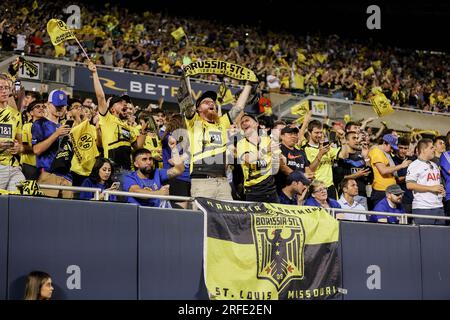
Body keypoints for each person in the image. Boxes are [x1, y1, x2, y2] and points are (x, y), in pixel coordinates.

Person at [182, 79, 253, 200]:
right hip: (202, 182)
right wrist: (186, 77)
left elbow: (239, 107)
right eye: (206, 102)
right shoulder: (195, 122)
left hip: (223, 182)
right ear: (198, 109)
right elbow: (188, 101)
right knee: (202, 218)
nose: (211, 103)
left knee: (226, 218)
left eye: (212, 102)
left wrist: (249, 84)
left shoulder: (222, 122)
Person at [32, 90, 72, 198]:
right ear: (48, 105)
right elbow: (36, 150)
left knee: (67, 213)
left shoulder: (65, 127)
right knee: (46, 211)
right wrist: (56, 134)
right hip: (48, 174)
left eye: (62, 106)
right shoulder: (40, 124)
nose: (59, 108)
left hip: (66, 176)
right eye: (56, 105)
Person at [237, 113, 284, 203]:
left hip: (271, 190)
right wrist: (267, 150)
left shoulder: (268, 140)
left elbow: (276, 169)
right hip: (253, 191)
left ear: (256, 124)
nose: (244, 123)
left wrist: (276, 156)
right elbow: (249, 159)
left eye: (247, 120)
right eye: (242, 122)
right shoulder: (241, 143)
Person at [406, 139, 446, 225]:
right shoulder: (414, 165)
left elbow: (435, 184)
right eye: (431, 147)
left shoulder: (434, 165)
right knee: (425, 237)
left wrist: (441, 190)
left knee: (441, 237)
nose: (434, 149)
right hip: (423, 208)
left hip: (439, 207)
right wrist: (431, 188)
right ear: (423, 150)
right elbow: (409, 185)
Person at [368, 134, 411, 207]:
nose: (392, 150)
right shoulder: (377, 152)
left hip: (389, 190)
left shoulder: (385, 153)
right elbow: (383, 170)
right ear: (384, 143)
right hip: (381, 190)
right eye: (391, 147)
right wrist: (401, 166)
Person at [0, 73, 25, 191]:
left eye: (6, 88)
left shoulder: (16, 114)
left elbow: (20, 144)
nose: (4, 91)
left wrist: (18, 147)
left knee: (17, 200)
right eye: (0, 88)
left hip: (14, 166)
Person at [304, 120, 340, 200]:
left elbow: (342, 155)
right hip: (316, 188)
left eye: (321, 132)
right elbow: (310, 170)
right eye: (316, 133)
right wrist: (320, 154)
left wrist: (343, 140)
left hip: (330, 188)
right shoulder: (305, 150)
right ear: (309, 133)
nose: (319, 135)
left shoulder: (328, 148)